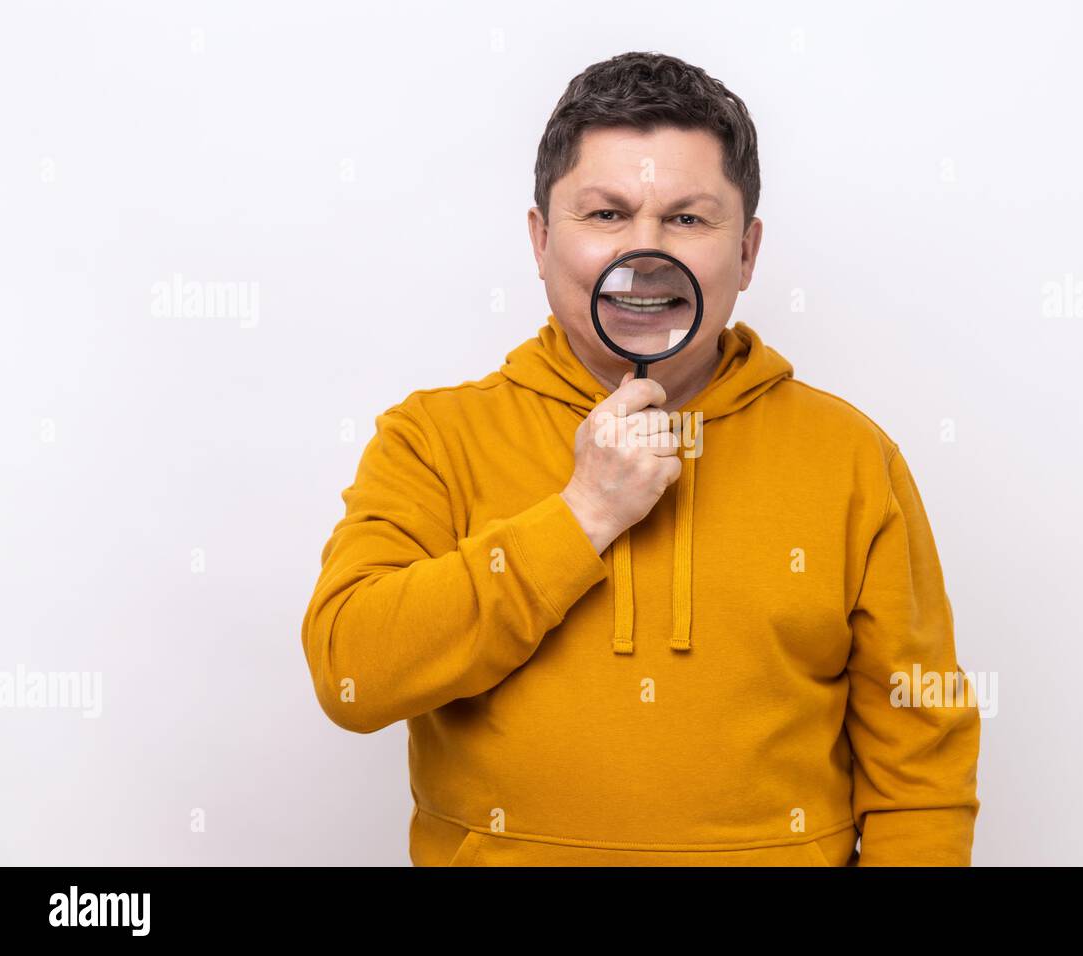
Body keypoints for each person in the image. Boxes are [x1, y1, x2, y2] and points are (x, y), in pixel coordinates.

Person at [301, 51, 981, 866]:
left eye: (688, 220)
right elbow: (352, 674)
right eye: (607, 215)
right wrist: (581, 515)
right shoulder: (431, 437)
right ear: (542, 239)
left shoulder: (853, 459)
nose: (646, 253)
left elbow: (922, 768)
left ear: (749, 252)